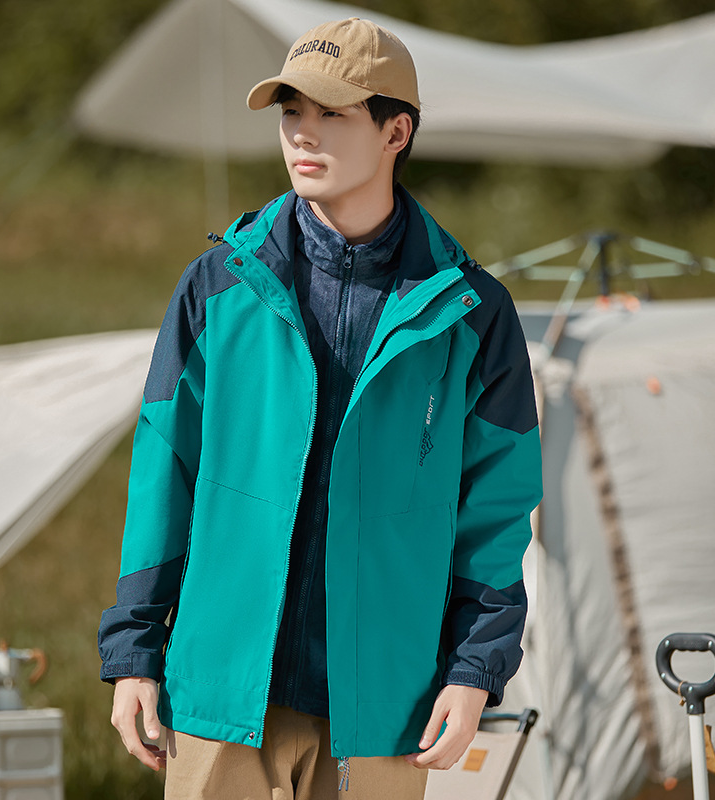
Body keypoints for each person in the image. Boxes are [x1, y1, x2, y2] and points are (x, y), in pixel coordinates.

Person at [99, 17, 542, 800]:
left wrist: (475, 670)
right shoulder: (217, 287)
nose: (302, 135)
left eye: (331, 115)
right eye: (291, 113)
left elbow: (497, 515)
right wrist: (134, 649)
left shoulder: (473, 313)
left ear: (395, 130)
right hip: (224, 692)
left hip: (384, 707)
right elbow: (163, 472)